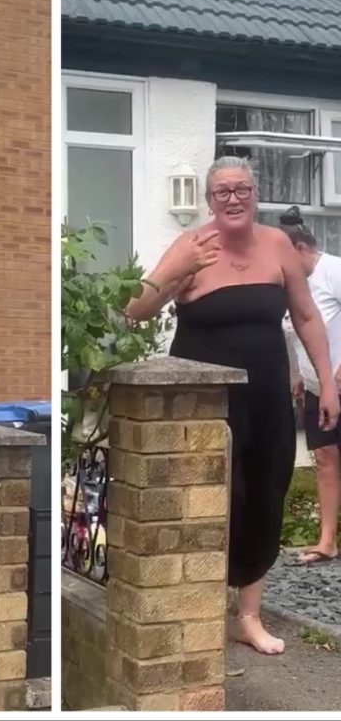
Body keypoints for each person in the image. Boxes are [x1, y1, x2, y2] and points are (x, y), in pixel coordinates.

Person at [125, 156, 339, 655]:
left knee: (265, 494)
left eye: (241, 189)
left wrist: (325, 384)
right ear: (209, 200)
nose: (233, 198)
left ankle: (248, 617)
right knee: (210, 499)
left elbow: (307, 318)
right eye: (222, 192)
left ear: (255, 194)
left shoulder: (278, 245)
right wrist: (176, 271)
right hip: (203, 403)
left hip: (266, 398)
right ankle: (193, 610)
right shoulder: (190, 246)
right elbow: (134, 311)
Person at [278, 206, 341, 565]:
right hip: (319, 387)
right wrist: (297, 375)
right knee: (324, 457)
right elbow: (293, 332)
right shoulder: (291, 284)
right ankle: (327, 541)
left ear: (300, 248)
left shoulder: (333, 270)